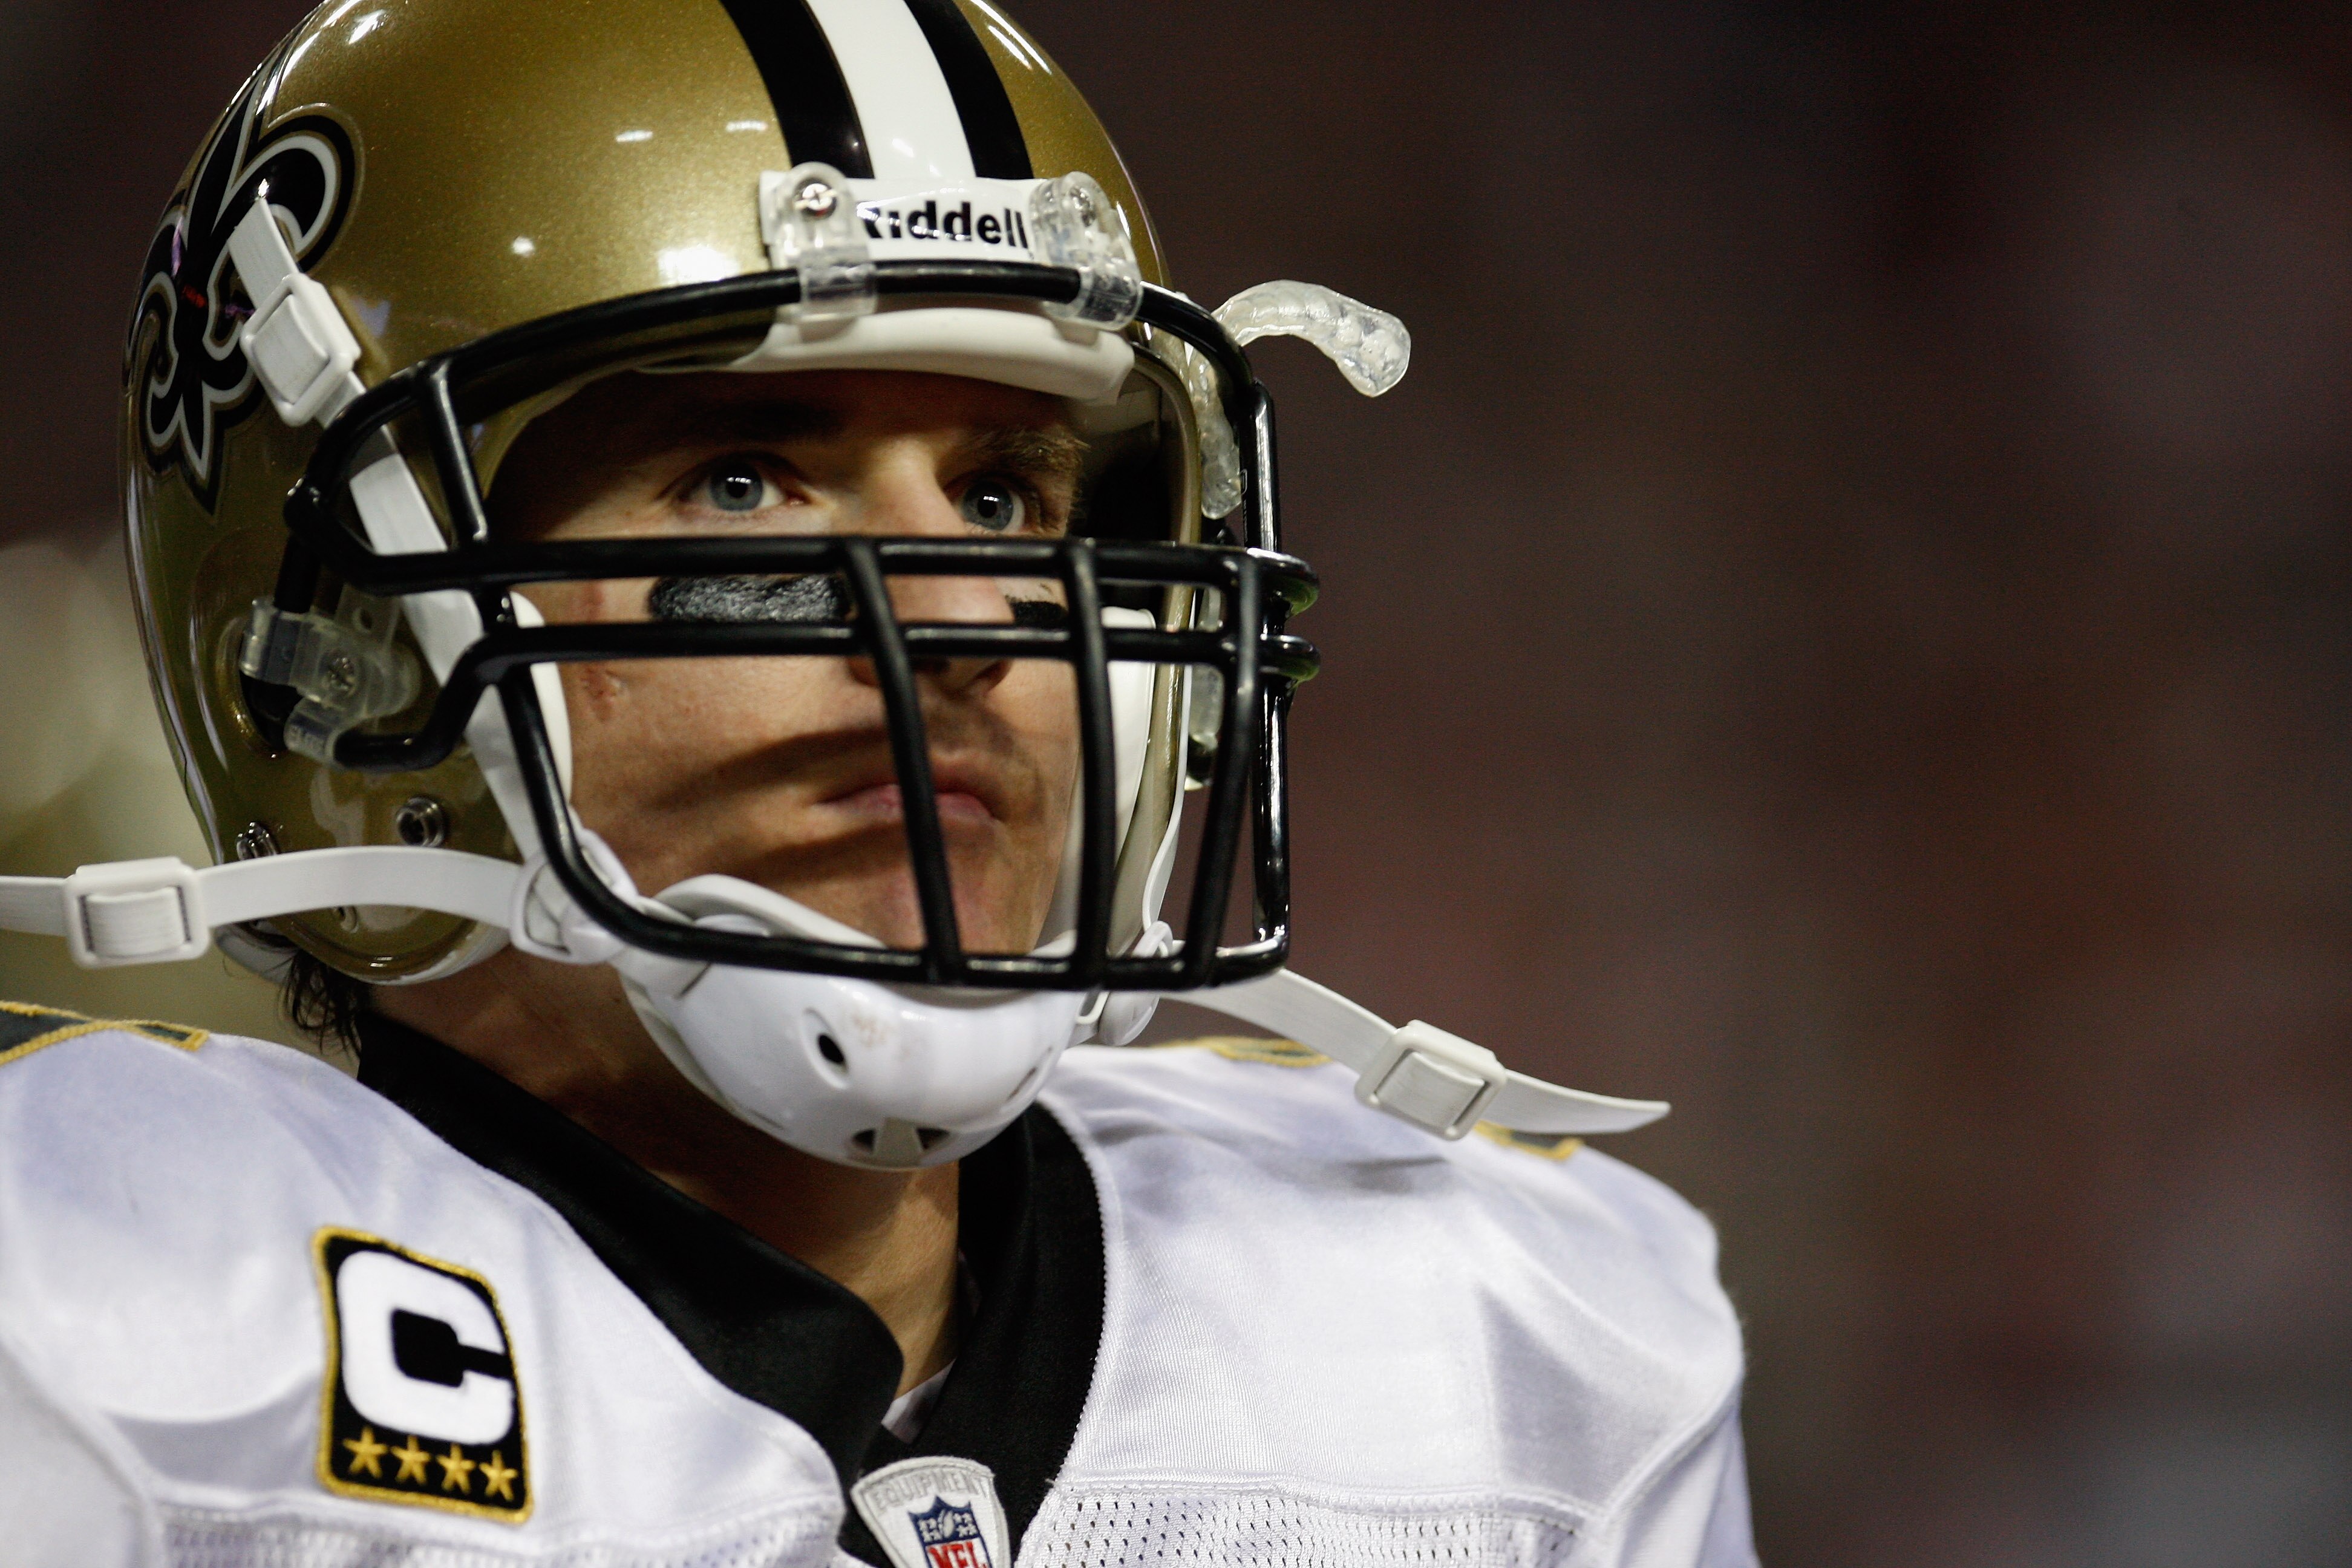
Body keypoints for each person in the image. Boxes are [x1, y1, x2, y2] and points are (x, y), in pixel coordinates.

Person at [0, 1, 1757, 1564]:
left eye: (1003, 496)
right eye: (745, 479)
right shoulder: (106, 1305)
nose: (968, 620)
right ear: (349, 648)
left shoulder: (1510, 1339)